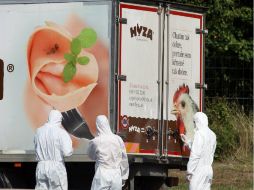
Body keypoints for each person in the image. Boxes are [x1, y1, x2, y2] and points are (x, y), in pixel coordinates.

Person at [34, 109, 73, 190]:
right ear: (59, 119)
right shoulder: (61, 132)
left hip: (41, 166)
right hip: (56, 167)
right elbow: (67, 152)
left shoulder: (39, 131)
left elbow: (36, 146)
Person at [87, 115, 129, 190]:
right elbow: (124, 159)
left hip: (102, 174)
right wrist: (124, 176)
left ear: (97, 125)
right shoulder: (118, 139)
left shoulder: (95, 141)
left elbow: (91, 156)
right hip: (116, 174)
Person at [186, 112, 217, 190]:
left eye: (194, 122)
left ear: (197, 121)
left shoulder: (199, 134)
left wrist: (190, 171)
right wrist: (188, 143)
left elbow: (195, 154)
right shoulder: (212, 134)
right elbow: (208, 151)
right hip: (209, 170)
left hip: (199, 171)